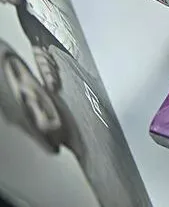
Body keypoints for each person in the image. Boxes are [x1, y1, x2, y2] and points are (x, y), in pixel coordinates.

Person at [0, 37, 148, 206]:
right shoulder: (106, 189)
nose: (34, 96)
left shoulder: (59, 64)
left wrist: (41, 40)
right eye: (25, 102)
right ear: (32, 130)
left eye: (17, 72)